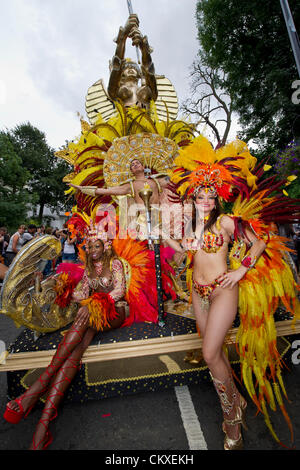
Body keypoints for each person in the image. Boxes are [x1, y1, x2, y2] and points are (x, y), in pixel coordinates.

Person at [165, 135, 300, 449]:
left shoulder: (226, 222)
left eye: (211, 196)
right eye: (200, 196)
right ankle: (235, 400)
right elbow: (185, 254)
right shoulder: (191, 227)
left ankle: (232, 420)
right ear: (193, 198)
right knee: (216, 353)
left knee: (210, 354)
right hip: (198, 293)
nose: (206, 202)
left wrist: (240, 270)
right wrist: (160, 236)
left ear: (218, 198)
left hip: (223, 290)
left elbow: (260, 242)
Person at [3, 230, 127, 450]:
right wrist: (61, 285)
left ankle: (33, 392)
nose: (93, 251)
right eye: (89, 247)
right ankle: (43, 425)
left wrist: (96, 302)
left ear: (105, 247)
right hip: (92, 317)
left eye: (97, 246)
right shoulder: (89, 269)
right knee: (77, 348)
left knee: (86, 315)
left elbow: (119, 290)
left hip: (116, 311)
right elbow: (81, 293)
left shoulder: (115, 263)